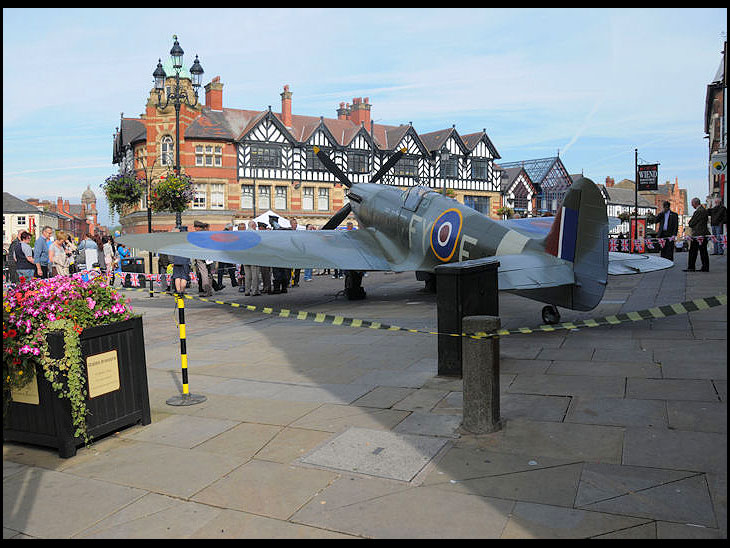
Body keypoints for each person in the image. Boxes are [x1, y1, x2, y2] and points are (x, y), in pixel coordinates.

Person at [684, 197, 710, 272]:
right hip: (704, 233)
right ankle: (705, 267)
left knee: (693, 251)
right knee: (703, 251)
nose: (692, 206)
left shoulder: (698, 211)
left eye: (692, 204)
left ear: (695, 203)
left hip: (697, 234)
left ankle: (691, 267)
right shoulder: (704, 210)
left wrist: (690, 223)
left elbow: (691, 223)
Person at [257, 222, 272, 293]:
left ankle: (267, 287)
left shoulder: (265, 236)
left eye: (259, 227)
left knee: (266, 274)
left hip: (265, 257)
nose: (258, 229)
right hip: (262, 257)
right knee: (264, 274)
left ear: (262, 228)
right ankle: (265, 287)